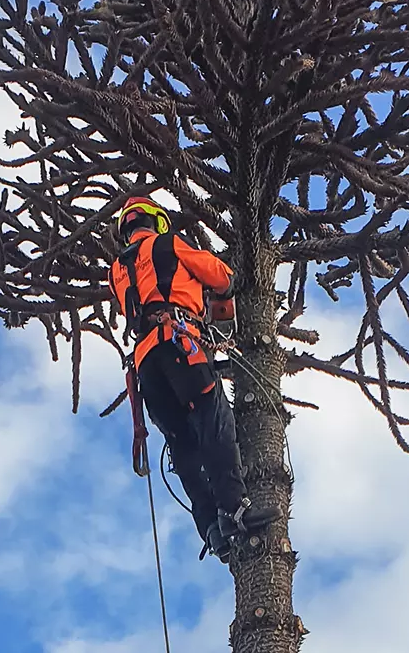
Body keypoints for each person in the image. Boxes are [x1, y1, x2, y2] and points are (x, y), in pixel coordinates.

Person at [107, 195, 273, 562]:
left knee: (182, 443)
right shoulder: (168, 243)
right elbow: (220, 277)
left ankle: (211, 527)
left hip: (145, 363)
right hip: (179, 343)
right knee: (214, 420)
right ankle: (235, 509)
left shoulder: (117, 269)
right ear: (158, 221)